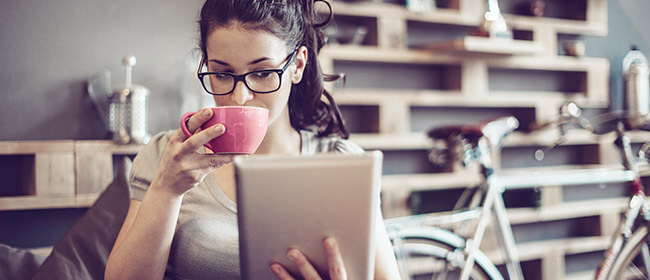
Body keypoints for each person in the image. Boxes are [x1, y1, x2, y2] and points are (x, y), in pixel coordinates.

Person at [105, 0, 401, 279]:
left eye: (262, 73)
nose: (240, 97)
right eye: (222, 74)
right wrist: (166, 191)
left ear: (297, 66)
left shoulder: (344, 164)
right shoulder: (168, 157)